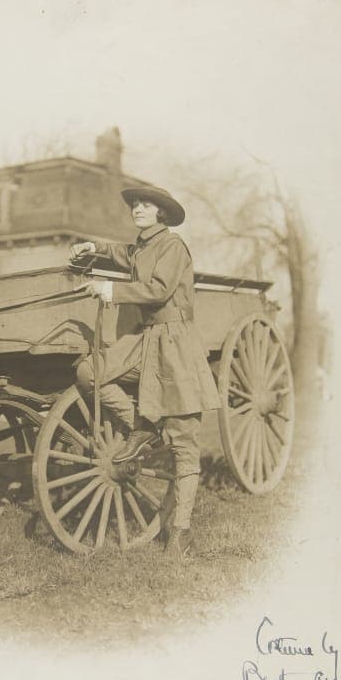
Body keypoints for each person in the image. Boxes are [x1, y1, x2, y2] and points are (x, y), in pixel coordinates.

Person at [70, 186, 221, 559]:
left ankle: (180, 533)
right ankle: (143, 425)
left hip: (175, 342)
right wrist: (95, 248)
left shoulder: (173, 247)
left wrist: (111, 290)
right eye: (135, 205)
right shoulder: (142, 246)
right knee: (91, 372)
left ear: (162, 214)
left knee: (185, 441)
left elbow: (158, 288)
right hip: (146, 339)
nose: (137, 209)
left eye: (146, 205)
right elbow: (125, 253)